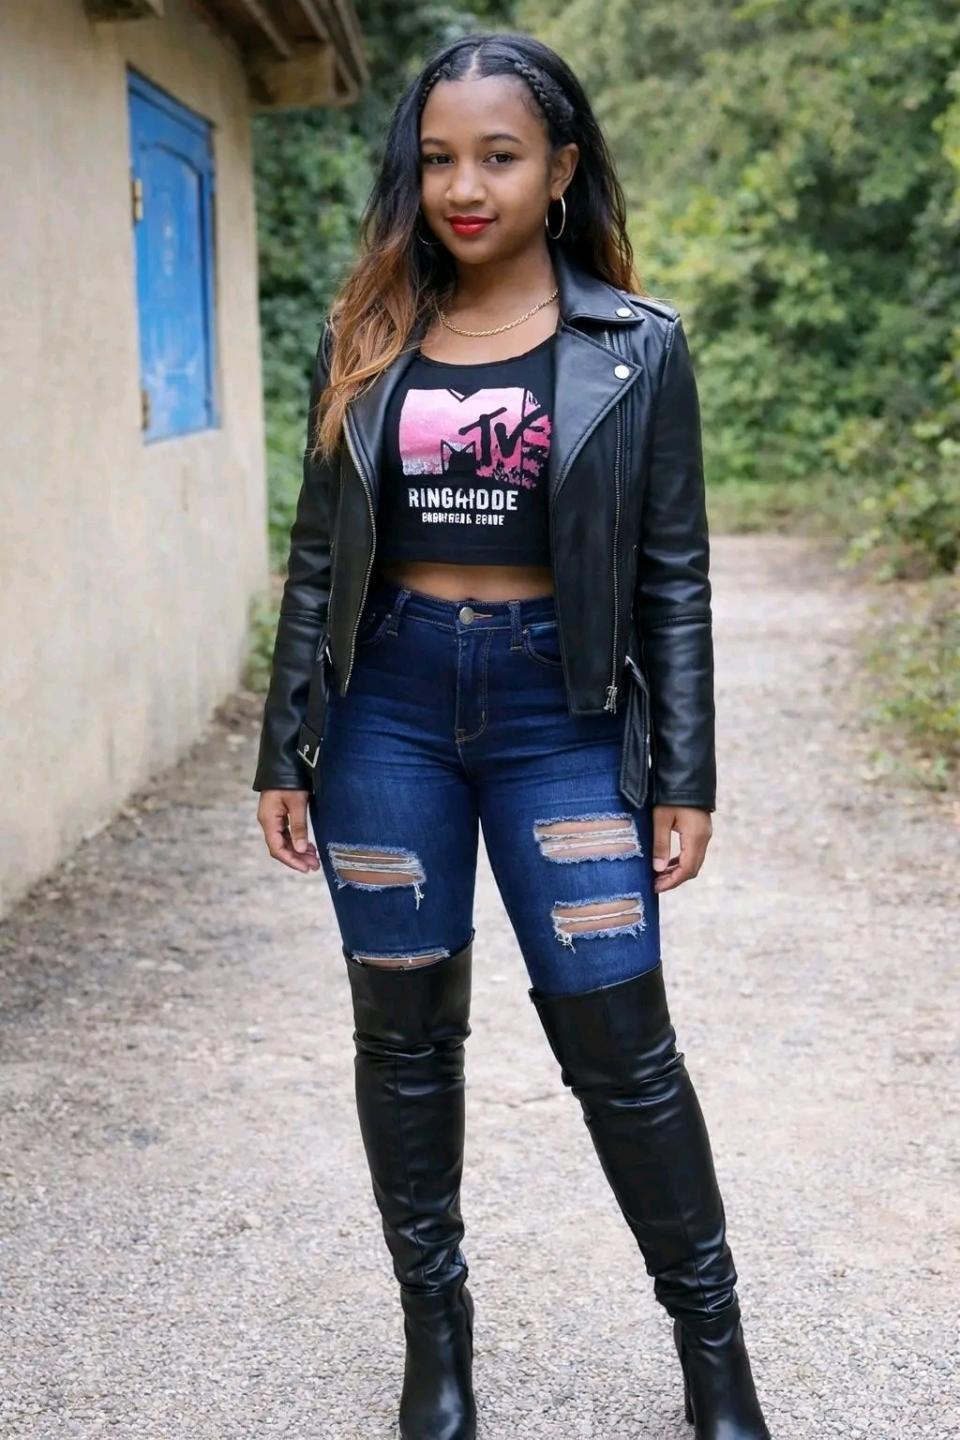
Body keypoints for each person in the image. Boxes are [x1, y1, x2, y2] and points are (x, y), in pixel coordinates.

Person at [252, 30, 772, 1440]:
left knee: (621, 1040)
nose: (464, 187)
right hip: (385, 712)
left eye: (498, 155)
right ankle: (438, 1346)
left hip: (564, 715)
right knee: (406, 1037)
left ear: (561, 168)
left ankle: (715, 1356)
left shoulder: (637, 347)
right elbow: (319, 557)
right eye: (438, 159)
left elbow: (674, 574)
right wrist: (286, 743)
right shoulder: (366, 335)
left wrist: (687, 773)